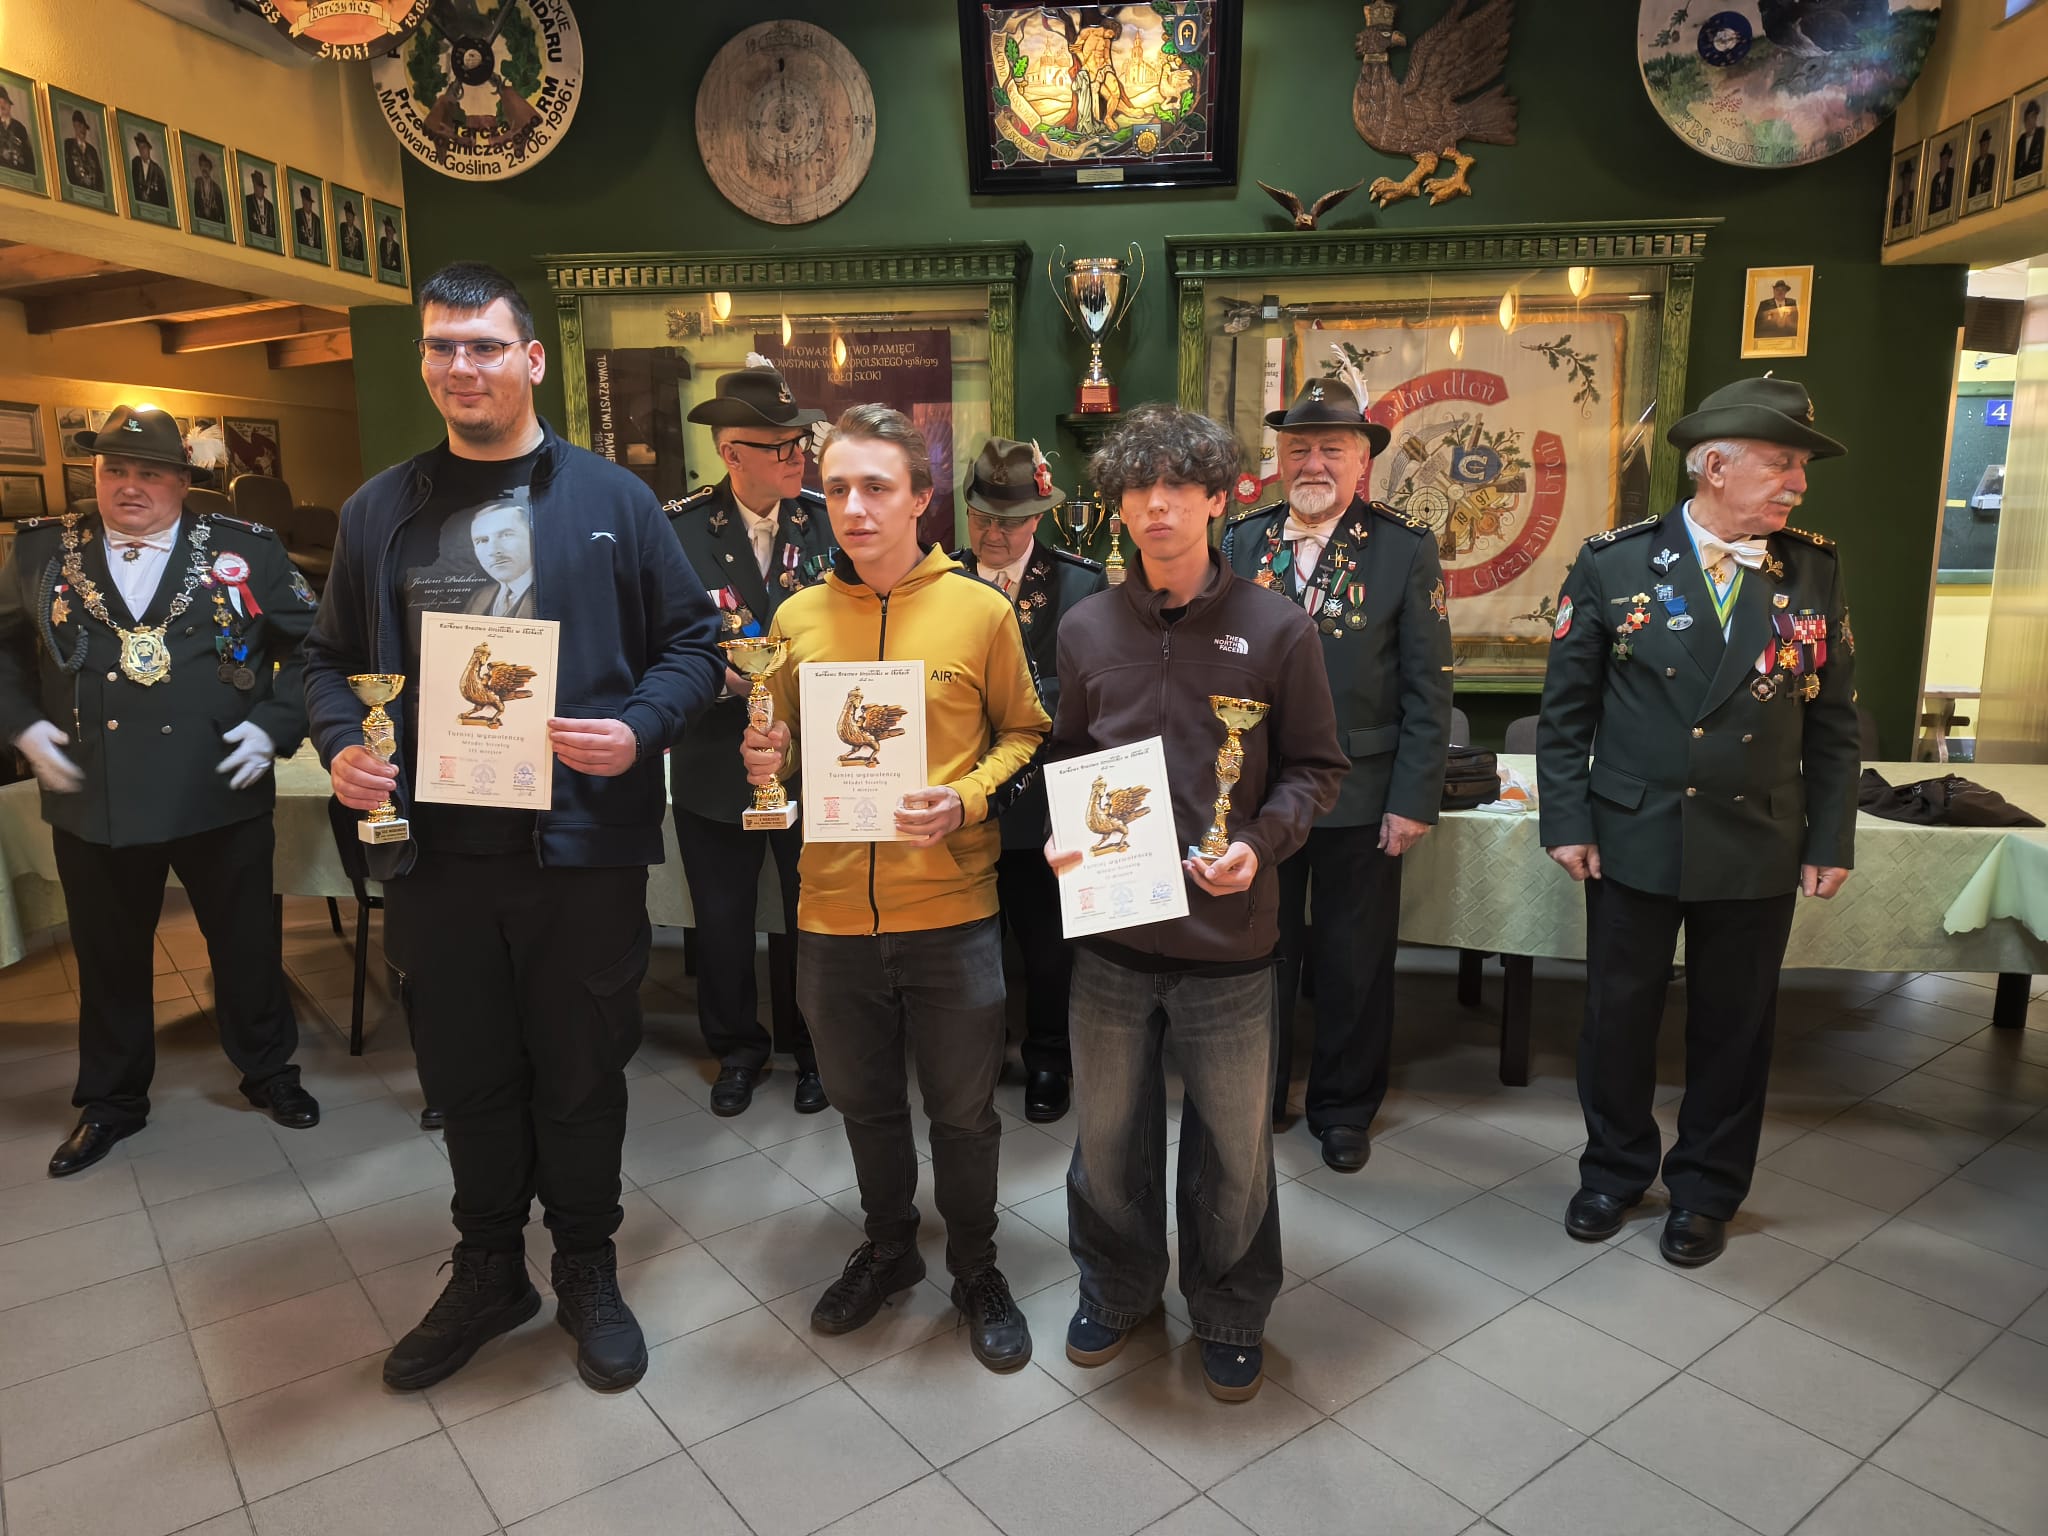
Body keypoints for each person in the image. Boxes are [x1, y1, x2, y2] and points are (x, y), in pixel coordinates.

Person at [303, 262, 723, 1393]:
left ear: (531, 359)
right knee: (468, 1073)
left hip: (578, 848)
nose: (462, 366)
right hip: (434, 852)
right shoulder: (379, 511)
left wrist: (637, 729)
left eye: (484, 345)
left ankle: (586, 1263)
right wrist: (342, 742)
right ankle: (490, 1267)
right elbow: (326, 661)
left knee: (580, 1071)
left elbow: (694, 646)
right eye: (441, 347)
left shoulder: (615, 502)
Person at [740, 404, 1048, 1372]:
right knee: (865, 1107)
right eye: (836, 488)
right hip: (830, 915)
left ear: (921, 497)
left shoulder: (980, 611)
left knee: (963, 1114)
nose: (854, 508)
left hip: (950, 912)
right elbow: (783, 751)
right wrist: (767, 760)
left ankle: (975, 1266)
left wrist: (965, 799)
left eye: (876, 487)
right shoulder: (794, 619)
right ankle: (887, 1248)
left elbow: (1025, 732)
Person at [1047, 404, 1345, 1401]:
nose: (1158, 505)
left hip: (1228, 942)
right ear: (1119, 506)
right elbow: (1067, 757)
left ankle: (1228, 1307)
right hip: (1111, 939)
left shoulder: (1276, 628)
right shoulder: (1086, 628)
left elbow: (1315, 768)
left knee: (1233, 1149)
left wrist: (1258, 845)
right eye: (1139, 488)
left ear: (1219, 500)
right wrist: (1060, 833)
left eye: (1180, 486)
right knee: (1104, 1138)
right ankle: (1117, 1287)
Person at [1537, 376, 1859, 1269]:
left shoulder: (1813, 570)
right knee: (1617, 1017)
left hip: (1758, 835)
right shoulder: (1613, 564)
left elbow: (1834, 722)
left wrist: (1830, 836)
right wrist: (1567, 820)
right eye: (1781, 464)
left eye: (1800, 467)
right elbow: (1566, 715)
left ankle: (1707, 1189)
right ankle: (1613, 1172)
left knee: (1735, 1026)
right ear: (1715, 466)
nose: (1798, 484)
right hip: (1634, 832)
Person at [0, 405, 322, 1176]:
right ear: (95, 474)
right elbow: (2, 650)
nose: (130, 486)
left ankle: (269, 1071)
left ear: (182, 482)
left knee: (245, 944)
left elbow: (318, 645)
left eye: (150, 472)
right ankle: (111, 1101)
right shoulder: (43, 547)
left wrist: (273, 726)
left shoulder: (246, 548)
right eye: (115, 470)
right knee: (108, 957)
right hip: (96, 791)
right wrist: (22, 725)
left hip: (218, 781)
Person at [1220, 378, 1453, 1172]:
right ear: (1280, 460)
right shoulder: (1241, 542)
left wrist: (1413, 798)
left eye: (1330, 449)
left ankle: (1345, 1106)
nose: (1313, 463)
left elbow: (1429, 687)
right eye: (1298, 449)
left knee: (1355, 961)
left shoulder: (1403, 548)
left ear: (1362, 463)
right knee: (1261, 953)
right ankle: (1260, 1092)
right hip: (1259, 796)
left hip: (1363, 792)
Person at [667, 361, 834, 1117]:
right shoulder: (678, 532)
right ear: (731, 453)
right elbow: (659, 642)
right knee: (724, 920)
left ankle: (815, 1049)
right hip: (714, 759)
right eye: (780, 448)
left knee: (812, 916)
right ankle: (737, 1050)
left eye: (800, 444)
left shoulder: (827, 523)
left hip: (811, 758)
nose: (798, 458)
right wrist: (718, 680)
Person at [950, 436, 1106, 1123]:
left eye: (1009, 521)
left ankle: (1048, 1057)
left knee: (1048, 948)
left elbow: (1090, 690)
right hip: (962, 795)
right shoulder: (941, 580)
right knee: (967, 945)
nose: (993, 533)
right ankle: (975, 1057)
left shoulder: (1079, 584)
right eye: (982, 517)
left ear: (1039, 516)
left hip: (1044, 798)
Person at [460, 497, 536, 617]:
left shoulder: (555, 593)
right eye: (482, 540)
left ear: (532, 537)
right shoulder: (480, 596)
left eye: (506, 535)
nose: (493, 551)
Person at [0, 86, 36, 177]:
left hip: (19, 174)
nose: (2, 107)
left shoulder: (19, 128)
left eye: (4, 103)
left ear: (9, 105)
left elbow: (28, 156)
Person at [64, 111, 102, 193]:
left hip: (93, 192)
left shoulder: (92, 151)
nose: (82, 130)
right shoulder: (68, 145)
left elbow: (99, 176)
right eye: (79, 126)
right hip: (76, 191)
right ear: (74, 126)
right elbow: (67, 168)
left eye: (84, 127)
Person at [129, 131, 167, 208]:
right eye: (139, 148)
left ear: (148, 148)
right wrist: (141, 193)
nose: (142, 151)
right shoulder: (135, 163)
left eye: (144, 147)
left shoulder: (157, 170)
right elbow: (132, 184)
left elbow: (164, 196)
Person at [190, 151, 226, 225]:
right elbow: (194, 204)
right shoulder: (197, 183)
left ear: (210, 168)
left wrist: (211, 211)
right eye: (202, 165)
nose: (204, 168)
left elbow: (222, 211)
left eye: (206, 166)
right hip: (200, 221)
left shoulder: (216, 188)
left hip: (213, 222)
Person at [2016, 99, 2045, 182]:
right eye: (2027, 118)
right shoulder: (2021, 140)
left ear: (2036, 118)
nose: (2029, 121)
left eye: (2032, 117)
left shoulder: (2042, 133)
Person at [1967, 128, 1999, 200]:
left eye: (1985, 145)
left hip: (1986, 195)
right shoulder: (1975, 164)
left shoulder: (1992, 159)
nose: (1983, 148)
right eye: (1982, 145)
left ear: (1988, 146)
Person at [244, 169, 275, 239]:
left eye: (261, 187)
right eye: (257, 186)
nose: (259, 190)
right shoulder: (247, 201)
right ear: (254, 186)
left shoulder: (270, 206)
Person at [1926, 142, 1956, 214]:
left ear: (1948, 160)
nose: (1943, 162)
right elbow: (1931, 199)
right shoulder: (1936, 178)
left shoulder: (1952, 174)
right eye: (1942, 159)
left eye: (1945, 159)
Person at [294, 183, 324, 251]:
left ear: (311, 203)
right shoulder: (297, 214)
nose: (306, 203)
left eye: (307, 201)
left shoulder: (317, 220)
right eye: (304, 200)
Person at [1889, 159, 1916, 230]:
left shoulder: (1914, 198)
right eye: (1906, 178)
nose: (1907, 181)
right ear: (1903, 179)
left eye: (1909, 178)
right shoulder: (1898, 201)